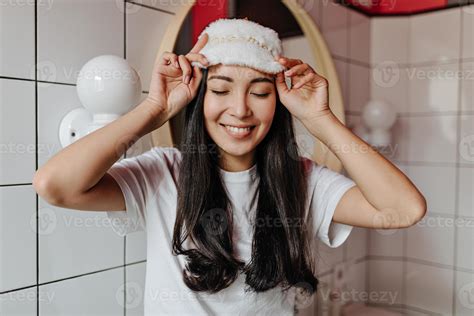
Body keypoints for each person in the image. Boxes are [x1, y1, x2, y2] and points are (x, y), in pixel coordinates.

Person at [33, 18, 427, 315]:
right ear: (200, 98)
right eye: (221, 90)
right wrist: (153, 109)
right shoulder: (163, 172)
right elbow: (54, 185)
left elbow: (405, 209)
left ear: (279, 103)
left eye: (259, 92)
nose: (239, 109)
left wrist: (321, 119)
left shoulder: (302, 180)